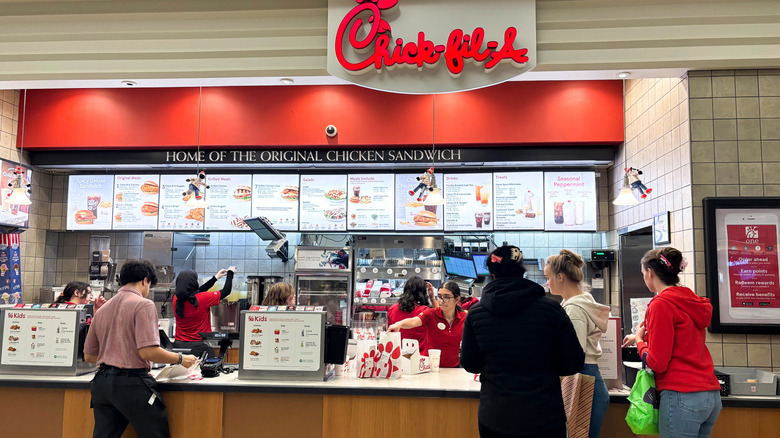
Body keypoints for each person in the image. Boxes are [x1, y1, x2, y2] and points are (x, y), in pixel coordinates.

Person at [460, 245, 584, 438]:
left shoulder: (476, 314)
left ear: (492, 274)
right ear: (522, 272)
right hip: (544, 417)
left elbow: (470, 363)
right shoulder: (551, 310)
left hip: (495, 417)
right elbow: (573, 363)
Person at [84, 259, 197, 438]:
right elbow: (148, 352)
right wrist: (182, 359)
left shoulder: (103, 309)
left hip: (102, 385)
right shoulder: (143, 304)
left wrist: (115, 355)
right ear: (145, 280)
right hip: (131, 385)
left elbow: (89, 355)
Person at [622, 247, 722, 438]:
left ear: (649, 272)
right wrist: (638, 337)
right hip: (710, 394)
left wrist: (641, 342)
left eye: (643, 273)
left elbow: (657, 363)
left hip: (681, 395)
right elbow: (681, 339)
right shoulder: (691, 300)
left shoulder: (661, 304)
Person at [544, 249, 610, 438]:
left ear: (561, 277)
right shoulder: (579, 301)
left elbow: (574, 354)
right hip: (587, 377)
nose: (547, 282)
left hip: (582, 378)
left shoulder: (574, 309)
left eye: (548, 277)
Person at [388, 280, 465, 368]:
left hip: (453, 369)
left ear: (457, 299)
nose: (441, 301)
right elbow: (413, 321)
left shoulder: (464, 318)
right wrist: (399, 324)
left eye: (446, 297)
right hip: (428, 367)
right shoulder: (431, 314)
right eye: (439, 297)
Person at [173, 267, 235, 358]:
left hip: (179, 346)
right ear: (193, 283)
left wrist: (215, 278)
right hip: (200, 347)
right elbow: (226, 291)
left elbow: (196, 292)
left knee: (181, 371)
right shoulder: (203, 299)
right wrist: (230, 273)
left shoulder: (176, 299)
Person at [386, 276, 433, 355]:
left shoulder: (392, 309)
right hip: (420, 357)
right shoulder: (424, 311)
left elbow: (390, 331)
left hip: (397, 355)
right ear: (423, 292)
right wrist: (432, 298)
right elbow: (441, 317)